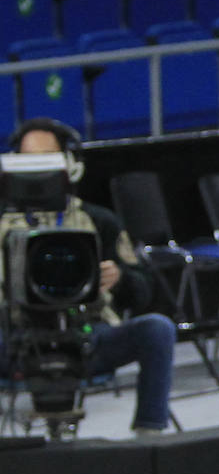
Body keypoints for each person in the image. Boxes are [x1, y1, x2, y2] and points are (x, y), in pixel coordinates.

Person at [0, 117, 175, 434]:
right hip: (14, 340)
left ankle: (149, 435)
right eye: (28, 160)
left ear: (71, 164)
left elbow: (145, 291)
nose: (38, 169)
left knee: (157, 329)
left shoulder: (99, 221)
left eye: (47, 159)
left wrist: (120, 277)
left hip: (86, 337)